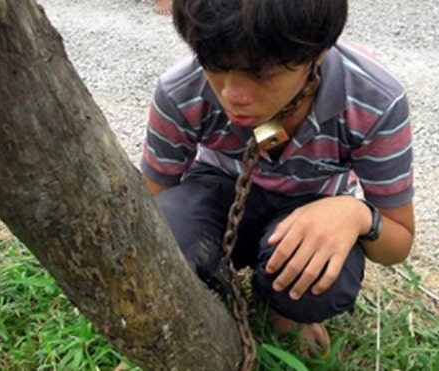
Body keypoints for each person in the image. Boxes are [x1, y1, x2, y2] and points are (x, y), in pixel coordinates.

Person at [140, 0, 415, 355]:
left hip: (311, 206)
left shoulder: (373, 100)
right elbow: (147, 214)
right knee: (164, 236)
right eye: (215, 66)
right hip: (217, 191)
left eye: (263, 74)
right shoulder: (181, 91)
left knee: (324, 282)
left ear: (317, 53)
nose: (232, 95)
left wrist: (357, 214)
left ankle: (285, 311)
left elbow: (398, 242)